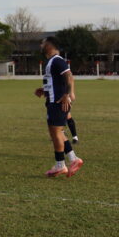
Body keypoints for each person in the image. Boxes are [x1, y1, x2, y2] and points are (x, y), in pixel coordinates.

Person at [35, 37, 83, 177]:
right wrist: (44, 90)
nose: (41, 45)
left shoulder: (57, 60)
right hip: (53, 100)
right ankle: (73, 159)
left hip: (58, 102)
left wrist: (67, 94)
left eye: (43, 43)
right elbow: (56, 82)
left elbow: (68, 76)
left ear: (50, 45)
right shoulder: (50, 61)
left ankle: (60, 165)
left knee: (56, 133)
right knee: (57, 132)